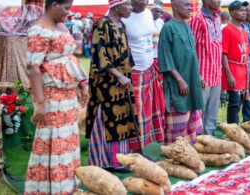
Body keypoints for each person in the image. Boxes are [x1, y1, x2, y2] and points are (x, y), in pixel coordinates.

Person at [25, 0, 88, 194]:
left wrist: (81, 85)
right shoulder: (37, 31)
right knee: (53, 141)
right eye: (66, 8)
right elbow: (33, 68)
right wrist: (40, 104)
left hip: (68, 99)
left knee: (67, 140)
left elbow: (70, 59)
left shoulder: (61, 26)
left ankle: (68, 185)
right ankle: (49, 188)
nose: (69, 13)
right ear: (54, 5)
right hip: (52, 98)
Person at [86, 0, 136, 171]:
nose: (131, 7)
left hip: (123, 80)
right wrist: (119, 75)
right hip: (106, 83)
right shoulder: (101, 24)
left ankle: (119, 159)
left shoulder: (121, 25)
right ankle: (102, 161)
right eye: (128, 4)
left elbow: (127, 53)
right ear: (117, 6)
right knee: (106, 120)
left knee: (122, 120)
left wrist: (127, 74)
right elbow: (99, 55)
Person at [158, 0, 204, 145]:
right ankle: (174, 151)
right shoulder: (167, 28)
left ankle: (188, 148)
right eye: (186, 5)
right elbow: (165, 58)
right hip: (177, 83)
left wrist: (199, 76)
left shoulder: (187, 26)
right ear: (175, 7)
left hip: (191, 79)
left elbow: (192, 55)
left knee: (191, 115)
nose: (190, 8)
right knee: (177, 116)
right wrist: (179, 80)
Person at [122, 0, 165, 151]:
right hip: (133, 71)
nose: (144, 3)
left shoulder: (147, 13)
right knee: (136, 113)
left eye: (146, 0)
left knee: (147, 111)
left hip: (148, 67)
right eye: (140, 0)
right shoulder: (122, 14)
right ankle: (135, 150)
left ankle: (142, 147)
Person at [189, 0, 222, 136]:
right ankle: (198, 142)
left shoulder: (217, 18)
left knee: (212, 111)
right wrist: (198, 75)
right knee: (198, 112)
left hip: (216, 73)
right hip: (203, 74)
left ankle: (210, 139)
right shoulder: (197, 19)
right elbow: (191, 49)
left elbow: (218, 45)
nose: (219, 1)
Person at [221, 0, 250, 124]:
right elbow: (223, 54)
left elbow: (247, 54)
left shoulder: (244, 31)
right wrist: (229, 75)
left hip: (243, 71)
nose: (244, 13)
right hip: (233, 70)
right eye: (241, 10)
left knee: (240, 102)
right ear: (232, 13)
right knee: (234, 104)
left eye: (245, 11)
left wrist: (249, 74)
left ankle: (236, 127)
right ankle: (232, 130)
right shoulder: (227, 30)